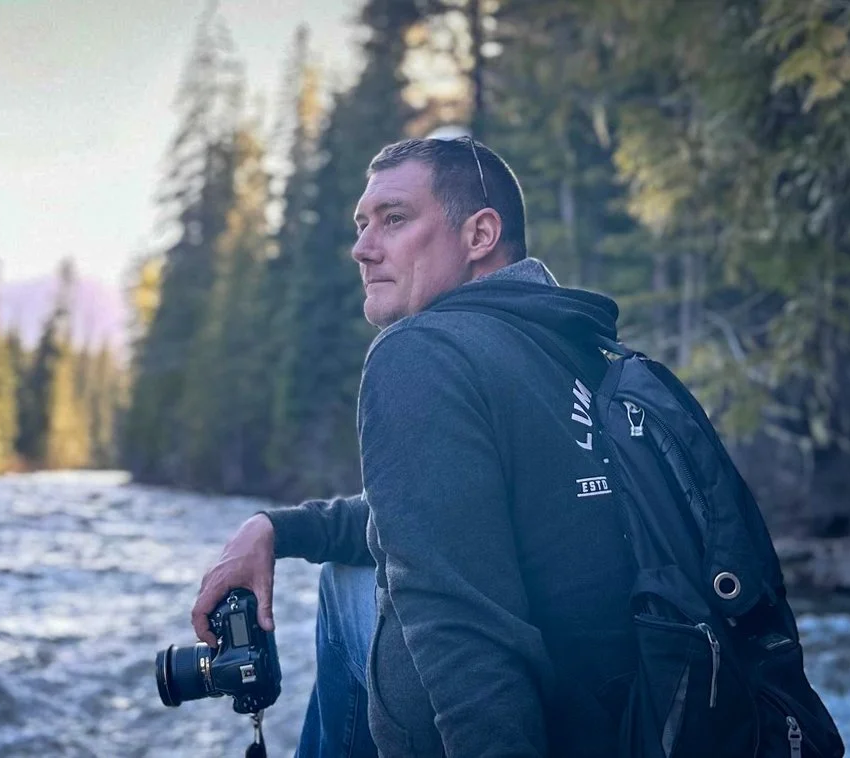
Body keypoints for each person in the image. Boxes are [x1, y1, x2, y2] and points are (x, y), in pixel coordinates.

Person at [192, 137, 637, 757]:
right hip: (622, 716)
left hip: (533, 724)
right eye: (362, 225)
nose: (362, 248)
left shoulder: (422, 352)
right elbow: (438, 512)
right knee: (350, 571)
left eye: (394, 219)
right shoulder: (582, 353)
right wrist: (278, 527)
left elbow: (462, 626)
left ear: (480, 235)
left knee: (347, 587)